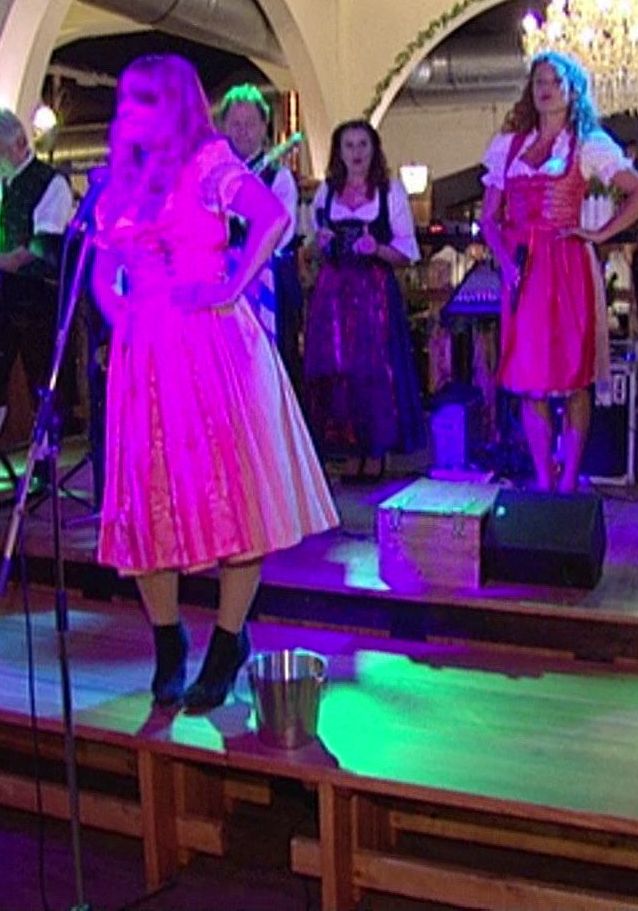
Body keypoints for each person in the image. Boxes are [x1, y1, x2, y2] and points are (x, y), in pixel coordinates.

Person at [90, 55, 337, 713]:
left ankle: (228, 641)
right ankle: (167, 639)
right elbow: (102, 271)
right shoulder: (118, 183)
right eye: (127, 101)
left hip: (210, 344)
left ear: (172, 104)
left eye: (142, 100)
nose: (129, 112)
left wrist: (229, 286)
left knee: (231, 495)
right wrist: (120, 314)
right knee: (148, 499)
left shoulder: (208, 162)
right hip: (144, 353)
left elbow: (272, 219)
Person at [479, 51, 638, 492]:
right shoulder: (509, 146)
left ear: (573, 90)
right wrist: (506, 263)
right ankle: (545, 478)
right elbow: (488, 218)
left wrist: (599, 234)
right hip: (523, 269)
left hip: (566, 267)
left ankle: (569, 479)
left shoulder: (588, 143)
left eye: (556, 82)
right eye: (539, 81)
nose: (546, 89)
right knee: (529, 379)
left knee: (575, 374)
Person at [299, 118, 424, 478]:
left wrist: (378, 248)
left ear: (373, 150)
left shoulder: (390, 192)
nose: (356, 153)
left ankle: (376, 451)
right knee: (336, 372)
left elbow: (407, 253)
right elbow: (309, 249)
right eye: (349, 145)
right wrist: (319, 243)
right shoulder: (326, 194)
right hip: (333, 298)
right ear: (339, 152)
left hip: (374, 296)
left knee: (374, 373)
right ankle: (347, 450)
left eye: (362, 145)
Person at [0, 108, 75, 475]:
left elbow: (45, 240)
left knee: (41, 374)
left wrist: (10, 260)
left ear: (18, 143)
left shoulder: (49, 182)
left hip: (36, 295)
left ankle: (43, 458)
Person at [215, 85, 302, 383]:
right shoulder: (215, 175)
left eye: (250, 124)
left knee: (269, 365)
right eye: (236, 124)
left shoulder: (279, 176)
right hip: (222, 276)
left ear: (264, 127)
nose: (243, 132)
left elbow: (282, 233)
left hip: (266, 277)